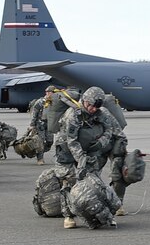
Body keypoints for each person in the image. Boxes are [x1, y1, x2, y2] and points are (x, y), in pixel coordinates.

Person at [54, 86, 128, 229]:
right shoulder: (72, 115)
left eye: (97, 107)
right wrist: (81, 161)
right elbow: (72, 141)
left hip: (90, 148)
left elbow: (110, 131)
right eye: (91, 106)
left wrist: (101, 143)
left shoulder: (102, 113)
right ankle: (68, 216)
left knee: (93, 180)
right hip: (67, 150)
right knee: (68, 180)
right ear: (85, 101)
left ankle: (100, 214)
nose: (94, 109)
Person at [29, 86, 56, 166]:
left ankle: (39, 151)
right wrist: (32, 125)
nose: (49, 94)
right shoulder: (40, 102)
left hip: (49, 124)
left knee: (49, 141)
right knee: (40, 142)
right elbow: (35, 114)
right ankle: (40, 158)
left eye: (51, 92)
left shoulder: (55, 102)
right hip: (40, 124)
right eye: (49, 92)